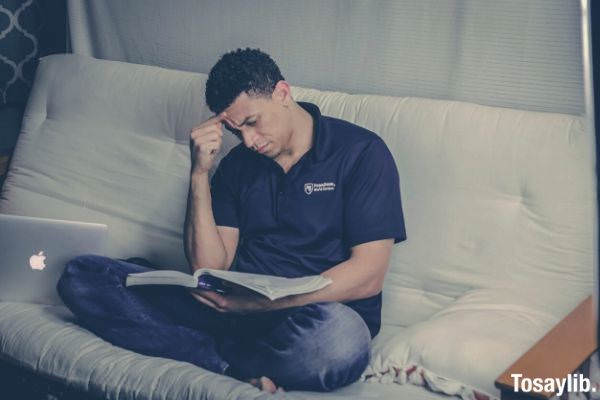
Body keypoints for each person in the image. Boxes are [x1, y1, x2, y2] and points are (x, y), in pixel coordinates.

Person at [57, 48, 406, 393]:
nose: (249, 141)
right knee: (83, 277)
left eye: (253, 123)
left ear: (282, 94)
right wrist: (199, 173)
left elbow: (368, 275)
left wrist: (263, 303)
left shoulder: (361, 152)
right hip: (234, 309)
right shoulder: (238, 165)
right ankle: (226, 363)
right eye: (236, 132)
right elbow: (209, 267)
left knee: (339, 344)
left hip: (310, 317)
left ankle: (215, 355)